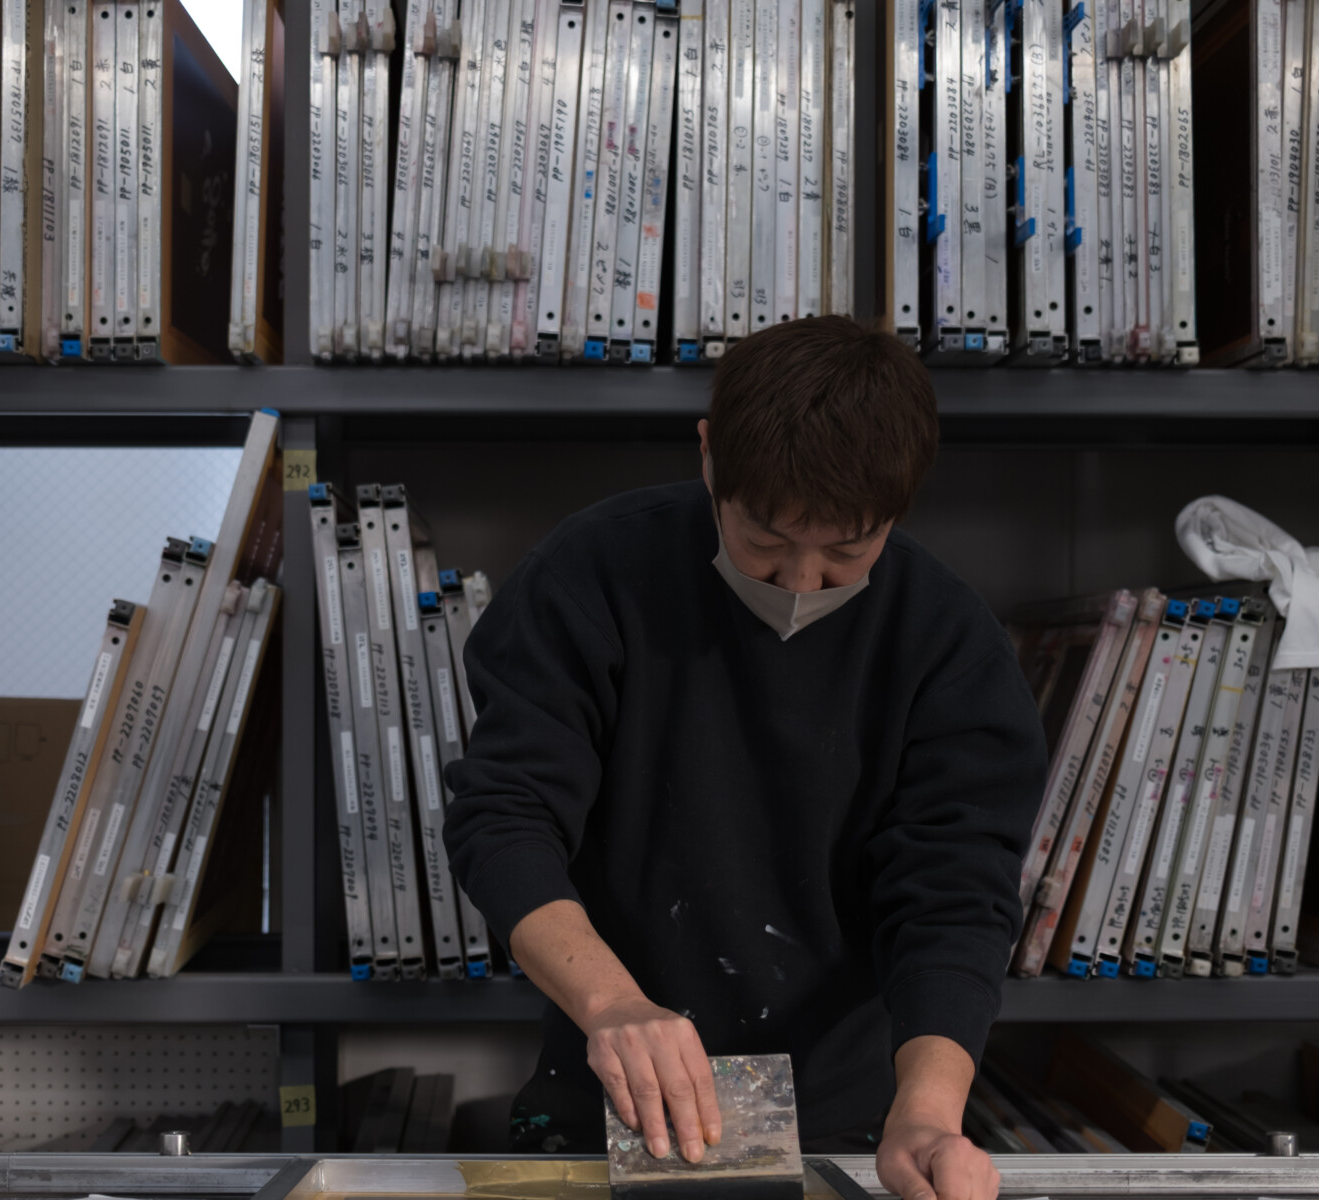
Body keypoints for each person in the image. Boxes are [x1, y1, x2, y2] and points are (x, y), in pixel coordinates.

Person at [441, 317, 1047, 1200]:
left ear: (899, 512)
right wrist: (614, 1005)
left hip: (846, 1122)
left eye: (847, 551)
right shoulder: (592, 574)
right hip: (605, 1103)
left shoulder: (948, 645)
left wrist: (925, 1115)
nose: (798, 582)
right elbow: (505, 816)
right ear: (709, 455)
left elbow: (955, 897)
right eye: (764, 538)